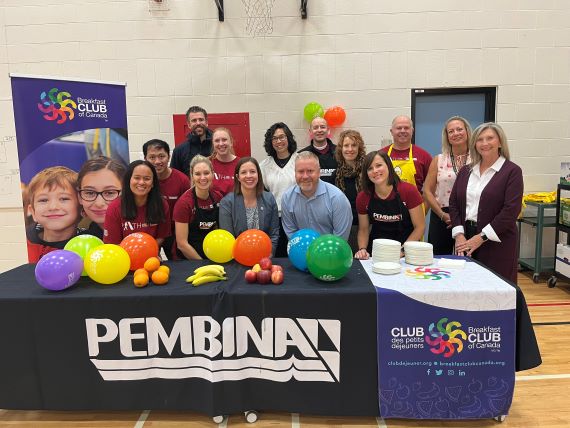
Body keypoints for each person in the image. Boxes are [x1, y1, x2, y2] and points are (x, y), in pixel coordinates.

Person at [449, 123, 523, 284]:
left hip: (496, 242)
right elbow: (453, 203)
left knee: (496, 287)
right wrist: (459, 234)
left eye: (490, 138)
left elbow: (511, 211)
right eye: (480, 139)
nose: (484, 143)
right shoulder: (466, 170)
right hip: (465, 238)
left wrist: (481, 237)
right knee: (466, 285)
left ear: (500, 142)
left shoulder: (512, 171)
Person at [354, 151, 425, 260]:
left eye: (379, 165)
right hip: (378, 252)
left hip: (406, 252)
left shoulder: (409, 191)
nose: (375, 171)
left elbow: (419, 227)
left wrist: (402, 251)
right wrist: (362, 249)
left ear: (388, 166)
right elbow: (363, 229)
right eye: (370, 168)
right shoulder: (363, 197)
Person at [423, 117, 472, 255]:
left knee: (467, 258)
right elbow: (427, 191)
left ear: (467, 132)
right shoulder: (439, 159)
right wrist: (442, 215)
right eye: (451, 131)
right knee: (438, 258)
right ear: (447, 136)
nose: (456, 133)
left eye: (459, 129)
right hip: (442, 215)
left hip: (468, 215)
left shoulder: (477, 158)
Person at [281, 151, 352, 240]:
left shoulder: (337, 198)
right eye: (300, 171)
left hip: (330, 252)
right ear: (295, 173)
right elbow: (292, 235)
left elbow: (340, 239)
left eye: (310, 171)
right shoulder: (287, 198)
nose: (305, 176)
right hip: (301, 252)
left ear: (319, 172)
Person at [219, 157, 280, 254]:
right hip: (238, 259)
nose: (249, 176)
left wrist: (268, 255)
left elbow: (274, 235)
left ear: (258, 175)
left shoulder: (269, 199)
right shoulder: (227, 203)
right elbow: (229, 239)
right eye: (243, 172)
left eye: (252, 171)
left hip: (264, 257)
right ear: (238, 177)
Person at [103, 160, 170, 246]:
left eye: (147, 178)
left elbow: (161, 237)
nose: (141, 182)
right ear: (129, 180)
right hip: (123, 257)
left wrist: (147, 252)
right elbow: (113, 244)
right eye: (137, 178)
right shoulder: (115, 208)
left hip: (151, 255)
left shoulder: (162, 205)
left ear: (153, 183)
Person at [25, 166, 84, 262]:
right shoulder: (21, 243)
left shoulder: (91, 246)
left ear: (81, 207)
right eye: (43, 200)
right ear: (33, 212)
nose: (53, 207)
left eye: (64, 199)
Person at [143, 139, 190, 259]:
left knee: (178, 267)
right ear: (145, 159)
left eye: (161, 156)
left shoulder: (182, 180)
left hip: (175, 233)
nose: (157, 161)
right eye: (152, 157)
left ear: (169, 157)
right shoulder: (142, 181)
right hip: (151, 232)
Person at [259, 122, 299, 257]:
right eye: (274, 138)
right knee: (278, 255)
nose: (278, 141)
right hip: (274, 219)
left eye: (282, 137)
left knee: (296, 252)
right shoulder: (264, 166)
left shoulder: (299, 160)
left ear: (288, 138)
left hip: (296, 217)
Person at [173, 155, 223, 260]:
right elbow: (182, 244)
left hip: (210, 255)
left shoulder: (217, 197)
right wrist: (202, 263)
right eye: (197, 174)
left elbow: (218, 230)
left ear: (212, 174)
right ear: (192, 176)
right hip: (188, 259)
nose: (203, 178)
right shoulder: (184, 204)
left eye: (206, 173)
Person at [331, 130, 366, 252]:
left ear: (359, 148)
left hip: (366, 227)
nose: (350, 149)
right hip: (344, 227)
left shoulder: (368, 170)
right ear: (341, 149)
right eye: (346, 145)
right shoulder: (336, 174)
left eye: (354, 145)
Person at [77, 156, 126, 240]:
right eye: (90, 193)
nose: (99, 203)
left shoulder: (143, 230)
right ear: (80, 197)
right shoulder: (83, 238)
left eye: (110, 193)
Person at [381, 115, 432, 193]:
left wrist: (424, 204)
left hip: (415, 204)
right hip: (386, 204)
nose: (402, 131)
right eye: (399, 128)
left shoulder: (424, 156)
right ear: (391, 131)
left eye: (406, 128)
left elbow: (432, 186)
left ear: (412, 131)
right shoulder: (381, 155)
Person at [171, 106, 213, 176]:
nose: (198, 123)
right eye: (194, 120)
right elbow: (175, 178)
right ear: (189, 124)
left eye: (201, 119)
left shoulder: (217, 146)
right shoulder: (179, 150)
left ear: (206, 122)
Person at [298, 116, 337, 184]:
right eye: (315, 128)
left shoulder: (340, 152)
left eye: (322, 127)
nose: (319, 130)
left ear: (328, 130)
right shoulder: (301, 155)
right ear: (310, 131)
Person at [210, 127, 240, 196]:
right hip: (213, 206)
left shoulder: (241, 164)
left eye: (224, 140)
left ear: (231, 142)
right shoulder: (207, 164)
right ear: (213, 144)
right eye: (217, 141)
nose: (221, 144)